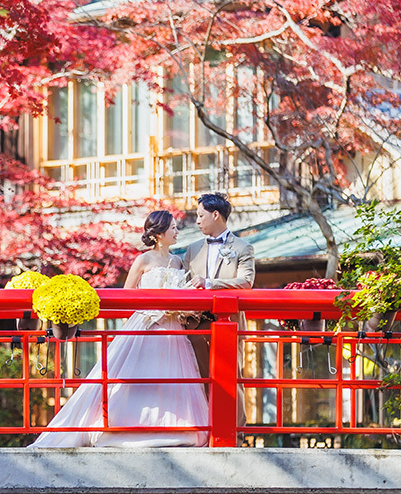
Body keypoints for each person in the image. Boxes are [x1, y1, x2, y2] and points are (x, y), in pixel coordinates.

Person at [30, 210, 208, 448]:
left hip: (173, 328)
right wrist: (154, 307)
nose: (177, 231)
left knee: (172, 378)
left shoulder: (177, 261)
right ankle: (125, 428)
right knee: (138, 378)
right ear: (158, 233)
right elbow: (127, 295)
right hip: (147, 324)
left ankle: (175, 429)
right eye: (173, 227)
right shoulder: (143, 260)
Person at [181, 192, 255, 424]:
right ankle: (203, 431)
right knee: (199, 378)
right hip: (195, 324)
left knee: (231, 378)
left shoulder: (243, 247)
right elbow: (184, 284)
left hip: (229, 323)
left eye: (200, 215)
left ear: (216, 215)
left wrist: (210, 283)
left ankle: (236, 432)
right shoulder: (192, 249)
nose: (197, 221)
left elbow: (246, 282)